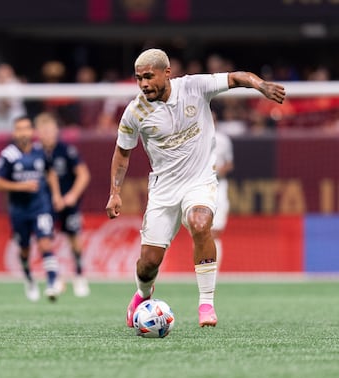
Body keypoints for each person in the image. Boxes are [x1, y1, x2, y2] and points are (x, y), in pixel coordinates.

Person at [105, 48, 285, 328]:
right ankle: (142, 293)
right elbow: (122, 153)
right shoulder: (134, 112)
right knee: (148, 263)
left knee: (200, 224)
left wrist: (261, 86)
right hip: (163, 190)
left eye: (149, 77)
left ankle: (206, 304)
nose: (143, 84)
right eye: (139, 78)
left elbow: (237, 77)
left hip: (200, 181)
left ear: (167, 73)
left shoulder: (194, 87)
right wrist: (115, 192)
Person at [0, 115, 64, 302]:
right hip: (19, 210)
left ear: (32, 131)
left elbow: (51, 173)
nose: (23, 132)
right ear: (14, 132)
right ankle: (29, 279)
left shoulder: (41, 151)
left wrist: (56, 195)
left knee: (45, 243)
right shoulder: (8, 155)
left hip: (40, 206)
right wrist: (21, 186)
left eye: (26, 128)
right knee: (24, 249)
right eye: (19, 129)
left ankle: (51, 284)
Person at [34, 112, 91, 297]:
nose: (48, 134)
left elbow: (84, 174)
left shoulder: (66, 150)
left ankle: (79, 275)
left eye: (51, 130)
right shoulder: (35, 153)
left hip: (68, 203)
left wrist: (72, 195)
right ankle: (55, 278)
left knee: (74, 239)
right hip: (45, 204)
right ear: (38, 133)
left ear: (57, 131)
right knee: (45, 239)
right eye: (44, 131)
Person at [212, 117, 234, 268]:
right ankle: (203, 270)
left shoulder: (223, 140)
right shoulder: (192, 138)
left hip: (219, 186)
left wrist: (218, 171)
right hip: (199, 187)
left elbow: (229, 164)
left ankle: (213, 272)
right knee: (202, 234)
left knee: (215, 231)